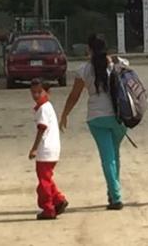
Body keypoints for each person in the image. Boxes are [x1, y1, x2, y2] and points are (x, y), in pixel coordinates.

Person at [60, 35, 128, 210]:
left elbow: (74, 96)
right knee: (114, 156)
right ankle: (113, 193)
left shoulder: (84, 70)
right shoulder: (115, 64)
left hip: (96, 118)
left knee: (107, 157)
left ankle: (115, 196)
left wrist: (65, 114)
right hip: (119, 116)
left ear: (89, 49)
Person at [28, 78, 68, 220]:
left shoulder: (43, 109)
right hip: (52, 148)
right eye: (33, 92)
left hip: (45, 150)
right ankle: (58, 199)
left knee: (43, 182)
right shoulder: (47, 107)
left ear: (47, 92)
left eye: (39, 92)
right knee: (47, 178)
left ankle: (48, 208)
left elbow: (41, 129)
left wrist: (34, 148)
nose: (36, 95)